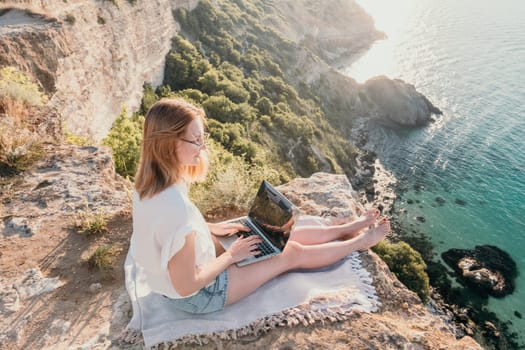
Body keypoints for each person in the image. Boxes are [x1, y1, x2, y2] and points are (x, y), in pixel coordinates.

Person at [129, 98, 390, 314]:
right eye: (196, 140)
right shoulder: (175, 209)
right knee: (291, 253)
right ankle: (358, 242)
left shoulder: (150, 185)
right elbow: (187, 285)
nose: (203, 146)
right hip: (198, 296)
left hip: (188, 263)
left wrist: (216, 229)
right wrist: (232, 256)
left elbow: (175, 231)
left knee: (269, 231)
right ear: (169, 144)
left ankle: (348, 228)